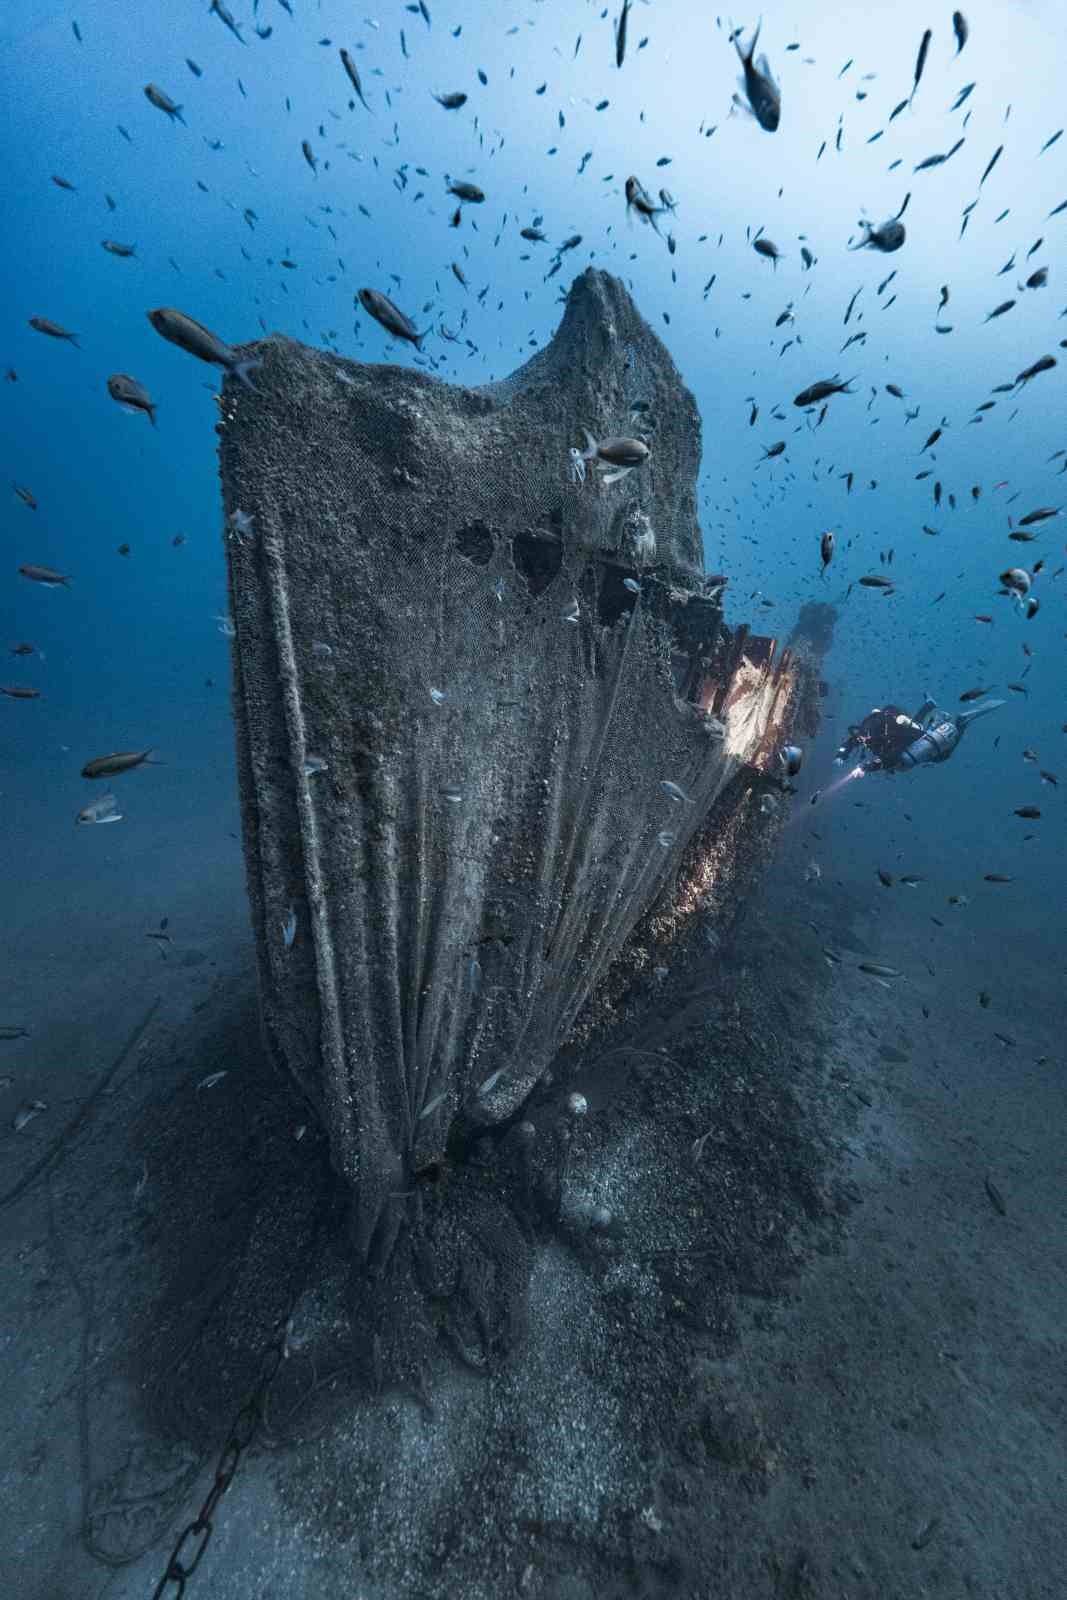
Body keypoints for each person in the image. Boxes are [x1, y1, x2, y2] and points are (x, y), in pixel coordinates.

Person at [834, 694, 1003, 775]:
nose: (863, 741)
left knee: (940, 756)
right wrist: (842, 754)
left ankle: (958, 724)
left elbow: (893, 755)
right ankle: (931, 707)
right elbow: (852, 740)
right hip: (912, 733)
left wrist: (868, 767)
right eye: (862, 739)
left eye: (865, 740)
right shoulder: (868, 729)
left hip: (914, 738)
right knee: (919, 731)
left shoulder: (890, 733)